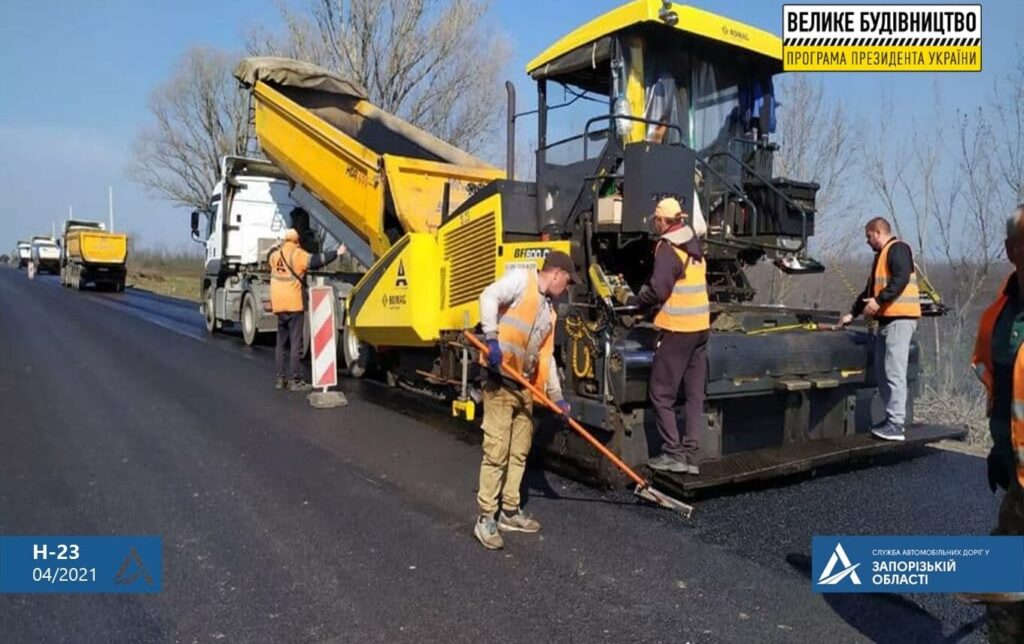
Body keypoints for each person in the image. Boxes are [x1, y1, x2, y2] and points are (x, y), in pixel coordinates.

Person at [473, 251, 577, 550]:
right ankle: (485, 518)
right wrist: (491, 337)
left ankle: (509, 510)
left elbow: (546, 356)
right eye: (567, 283)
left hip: (524, 386)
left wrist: (557, 397)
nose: (566, 289)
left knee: (519, 451)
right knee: (497, 451)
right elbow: (488, 295)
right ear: (556, 274)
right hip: (498, 378)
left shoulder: (550, 312)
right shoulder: (522, 281)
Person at [971, 204, 1024, 641]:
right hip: (1018, 479)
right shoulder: (996, 319)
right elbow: (1002, 390)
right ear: (1012, 251)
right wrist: (999, 446)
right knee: (1006, 594)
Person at [629, 197, 709, 475]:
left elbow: (660, 290)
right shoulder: (694, 245)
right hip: (701, 328)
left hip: (679, 329)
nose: (656, 223)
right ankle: (692, 456)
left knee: (661, 393)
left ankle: (673, 454)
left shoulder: (667, 248)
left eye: (656, 219)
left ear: (663, 221)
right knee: (694, 394)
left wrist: (635, 300)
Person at [840, 217, 921, 441]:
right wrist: (852, 313)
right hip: (887, 321)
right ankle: (891, 419)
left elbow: (901, 278)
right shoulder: (880, 258)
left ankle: (895, 424)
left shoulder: (898, 249)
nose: (867, 241)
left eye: (868, 236)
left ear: (877, 232)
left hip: (900, 320)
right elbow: (868, 291)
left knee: (894, 371)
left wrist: (879, 300)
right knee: (883, 370)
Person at [268, 215, 344, 391]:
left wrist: (274, 246)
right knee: (296, 343)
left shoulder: (275, 256)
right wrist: (336, 253)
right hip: (294, 304)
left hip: (278, 304)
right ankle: (296, 380)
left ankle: (280, 379)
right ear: (297, 240)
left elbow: (269, 255)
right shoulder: (297, 254)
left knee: (281, 343)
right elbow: (317, 261)